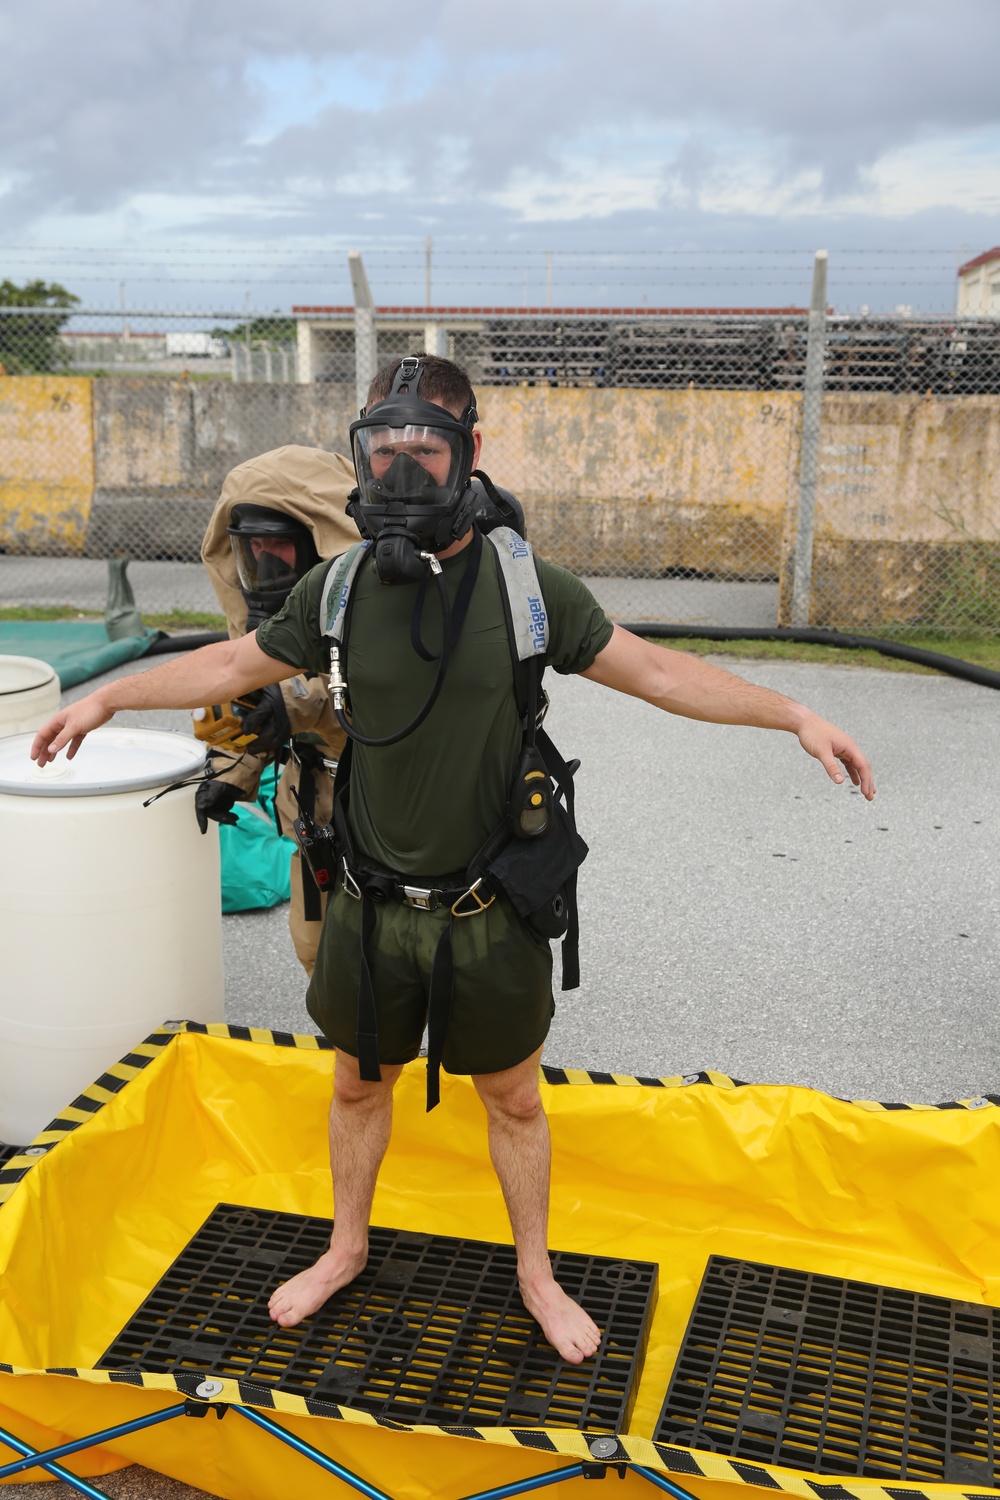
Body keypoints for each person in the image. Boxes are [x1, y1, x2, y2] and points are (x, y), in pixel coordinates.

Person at [31, 354, 875, 1366]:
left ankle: (534, 1273)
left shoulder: (527, 589)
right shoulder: (338, 588)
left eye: (422, 449)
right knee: (355, 1083)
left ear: (468, 453)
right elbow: (235, 662)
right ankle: (345, 1247)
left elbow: (652, 670)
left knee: (513, 1095)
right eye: (379, 451)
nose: (398, 474)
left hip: (489, 907)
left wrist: (791, 712)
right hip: (371, 903)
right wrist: (111, 694)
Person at [197, 446, 357, 974]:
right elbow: (252, 704)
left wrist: (289, 701)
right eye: (253, 547)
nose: (265, 562)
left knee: (396, 959)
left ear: (316, 546)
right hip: (314, 814)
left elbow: (378, 697)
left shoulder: (385, 603)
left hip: (391, 812)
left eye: (279, 546)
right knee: (315, 949)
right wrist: (232, 772)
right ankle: (349, 1053)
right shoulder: (261, 626)